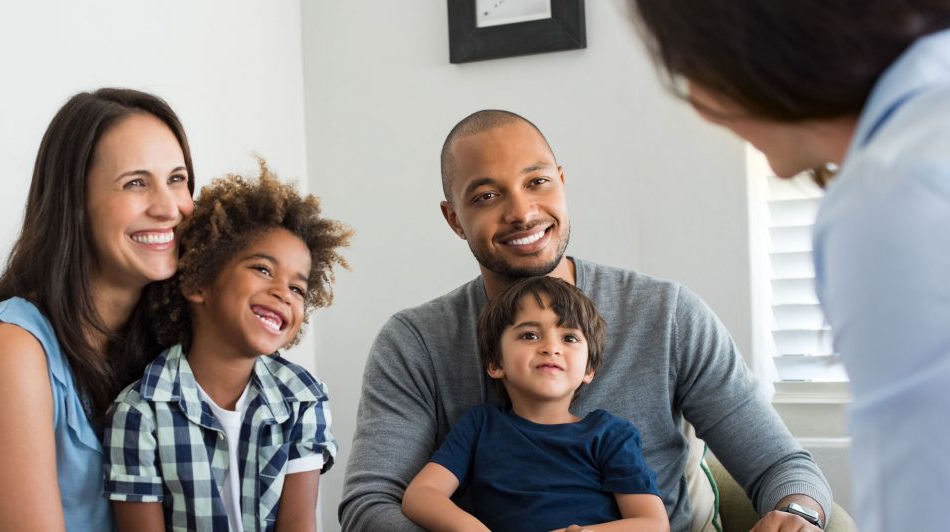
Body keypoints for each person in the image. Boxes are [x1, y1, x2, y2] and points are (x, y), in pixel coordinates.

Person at [340, 110, 833, 531]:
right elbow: (370, 504)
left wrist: (798, 513)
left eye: (537, 182)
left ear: (561, 181)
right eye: (487, 196)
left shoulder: (666, 315)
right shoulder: (415, 343)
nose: (522, 212)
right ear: (454, 219)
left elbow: (782, 466)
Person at [628, 2, 950, 530]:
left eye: (690, 75)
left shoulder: (890, 196)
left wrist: (797, 506)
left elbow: (922, 503)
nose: (703, 111)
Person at [0, 88, 196, 531]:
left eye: (177, 179)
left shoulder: (173, 339)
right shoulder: (13, 351)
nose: (168, 207)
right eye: (136, 182)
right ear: (74, 203)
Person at [103, 162, 353, 532]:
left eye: (298, 288)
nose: (284, 292)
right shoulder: (138, 413)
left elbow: (298, 524)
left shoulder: (304, 399)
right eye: (263, 270)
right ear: (199, 283)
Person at [402, 276, 669, 532]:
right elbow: (421, 494)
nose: (551, 347)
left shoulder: (610, 434)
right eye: (530, 335)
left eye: (570, 338)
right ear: (496, 363)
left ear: (589, 369)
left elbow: (652, 524)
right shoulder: (480, 425)